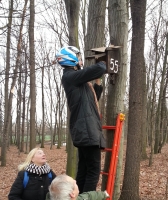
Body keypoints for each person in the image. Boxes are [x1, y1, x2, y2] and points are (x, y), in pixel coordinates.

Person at [56, 46, 107, 193]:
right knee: (93, 171)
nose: (80, 59)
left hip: (85, 131)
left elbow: (91, 102)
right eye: (77, 56)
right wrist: (104, 62)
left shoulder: (76, 80)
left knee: (84, 170)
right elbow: (99, 68)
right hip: (87, 131)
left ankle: (78, 196)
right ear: (70, 58)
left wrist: (98, 85)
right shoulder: (70, 76)